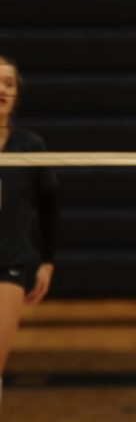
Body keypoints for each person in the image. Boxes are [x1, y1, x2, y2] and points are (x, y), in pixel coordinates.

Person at [0, 55, 59, 406]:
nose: (1, 89)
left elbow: (50, 208)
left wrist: (47, 261)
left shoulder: (30, 147)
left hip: (10, 262)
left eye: (9, 83)